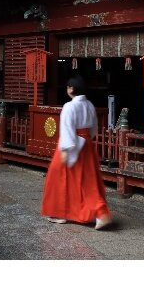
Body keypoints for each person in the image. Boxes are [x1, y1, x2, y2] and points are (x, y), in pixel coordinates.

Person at [40, 75, 113, 229]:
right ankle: (97, 213)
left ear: (72, 88)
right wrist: (85, 139)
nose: (67, 89)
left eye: (68, 87)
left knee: (59, 179)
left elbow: (67, 128)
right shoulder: (90, 105)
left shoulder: (69, 106)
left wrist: (66, 150)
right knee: (88, 181)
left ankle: (60, 213)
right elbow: (93, 129)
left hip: (71, 144)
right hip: (86, 144)